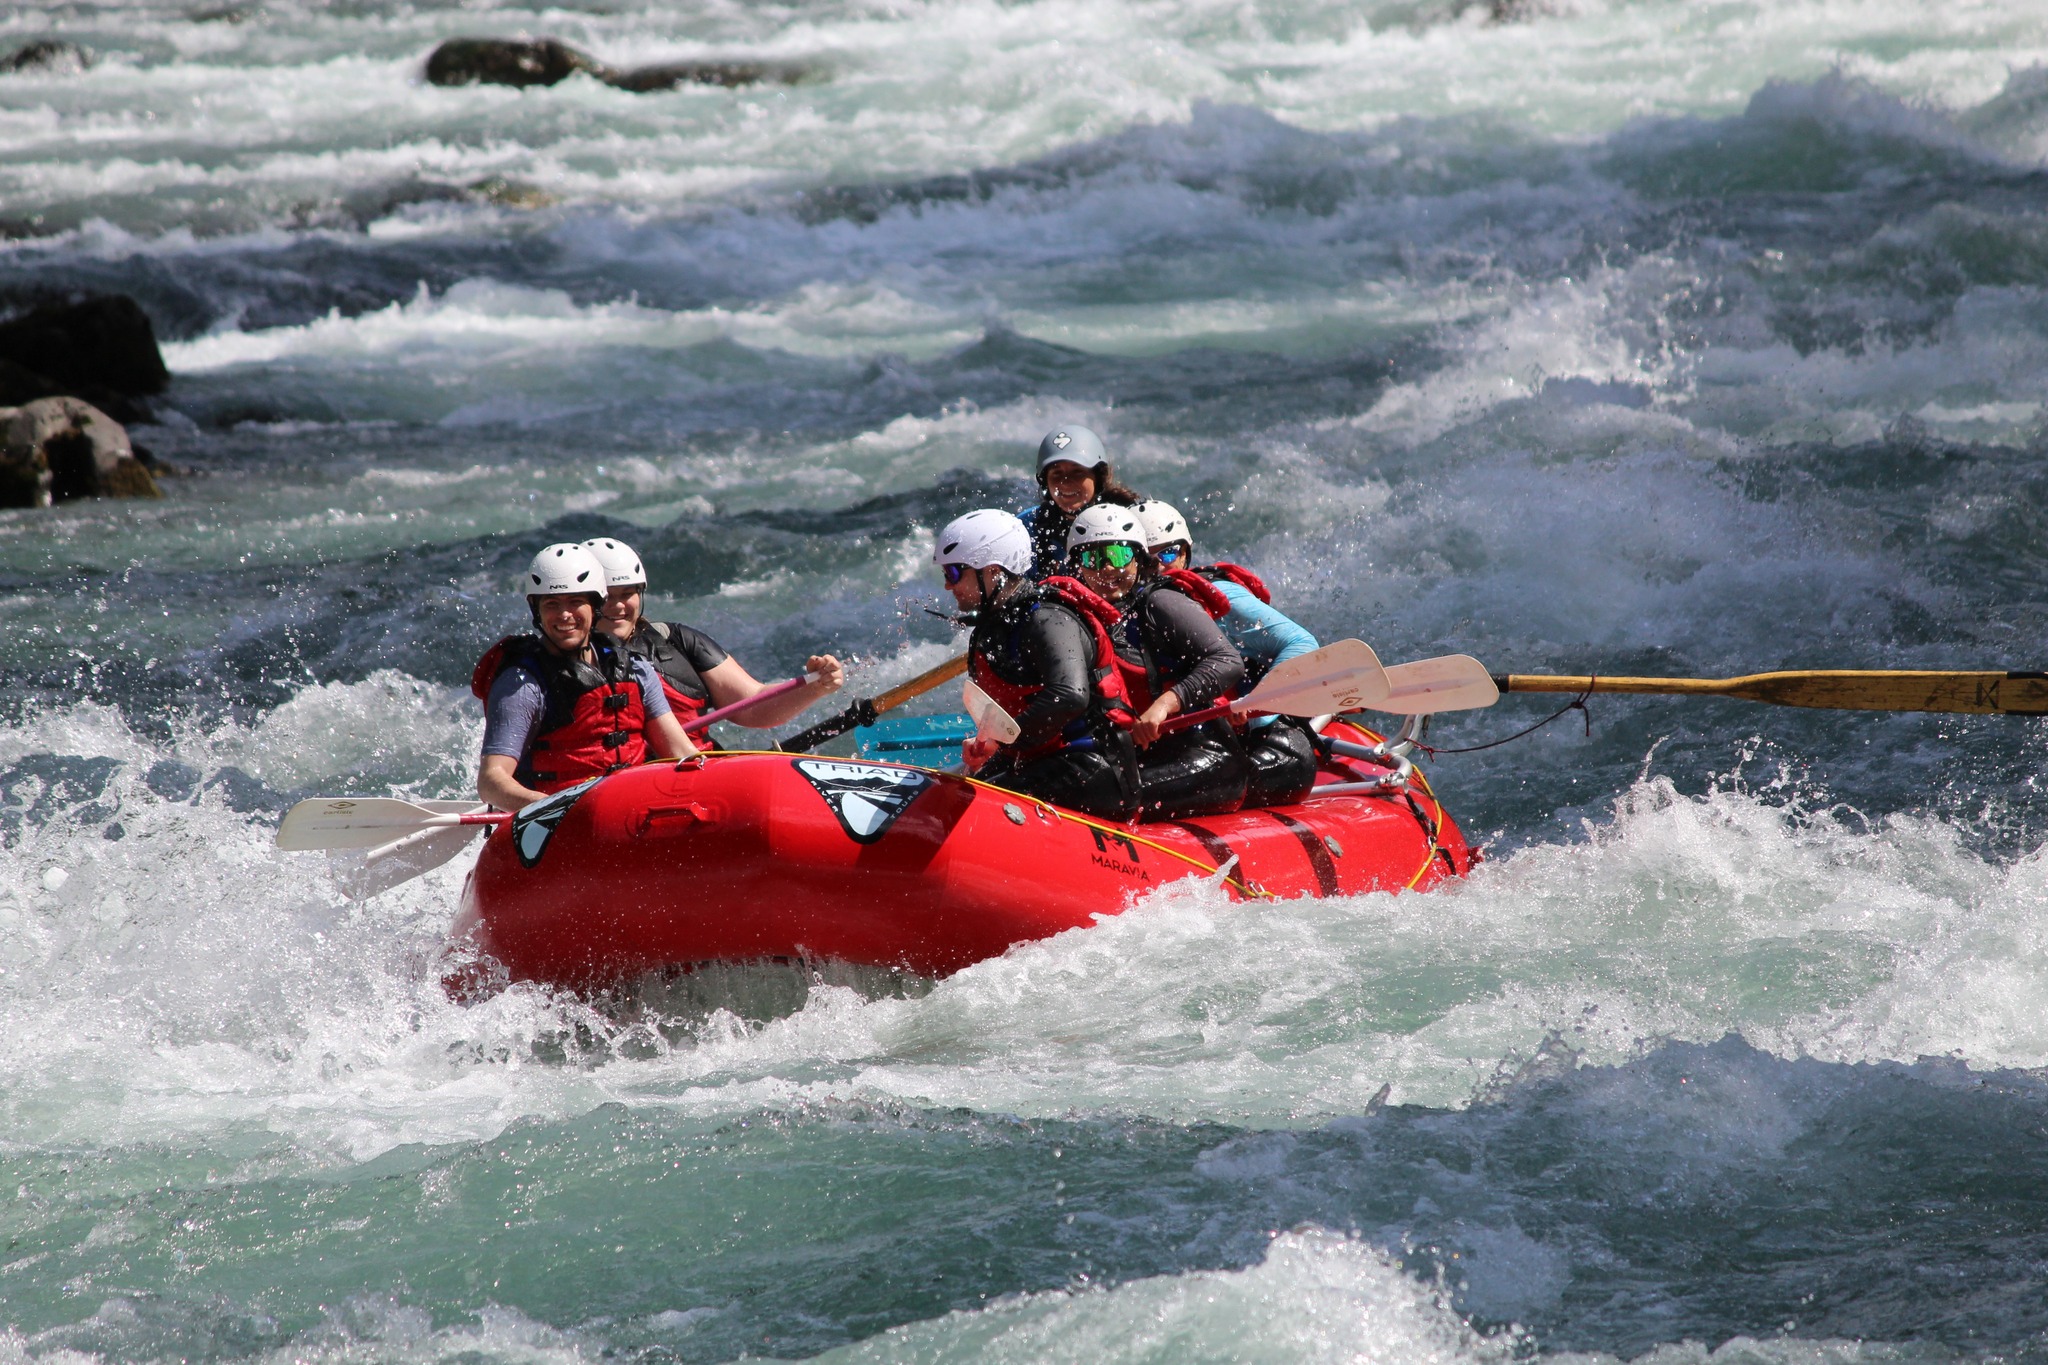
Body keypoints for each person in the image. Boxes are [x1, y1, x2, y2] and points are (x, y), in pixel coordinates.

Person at [935, 509, 1140, 821]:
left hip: (1093, 768)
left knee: (966, 811)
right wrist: (990, 743)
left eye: (953, 573)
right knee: (947, 794)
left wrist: (1002, 742)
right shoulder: (996, 625)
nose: (948, 586)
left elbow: (1070, 695)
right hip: (1039, 761)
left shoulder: (1048, 619)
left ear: (992, 571)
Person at [471, 543, 698, 812]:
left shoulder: (635, 669)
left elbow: (682, 754)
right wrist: (554, 808)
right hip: (554, 821)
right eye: (552, 604)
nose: (565, 614)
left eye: (576, 601)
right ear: (537, 610)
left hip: (633, 812)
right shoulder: (522, 685)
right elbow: (491, 781)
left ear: (595, 606)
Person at [1065, 505, 1250, 821]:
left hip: (1209, 758)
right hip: (1143, 759)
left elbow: (1227, 661)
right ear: (1077, 567)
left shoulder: (1160, 602)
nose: (1107, 568)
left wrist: (1164, 705)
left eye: (1119, 555)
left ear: (1138, 559)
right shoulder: (1078, 617)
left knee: (1093, 796)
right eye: (1092, 558)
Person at [1133, 500, 1321, 807]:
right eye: (1147, 557)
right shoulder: (1135, 605)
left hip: (1266, 738)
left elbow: (1302, 644)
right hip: (1205, 737)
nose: (1158, 566)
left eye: (1168, 553)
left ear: (1185, 553)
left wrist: (1257, 705)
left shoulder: (1222, 595)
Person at [580, 537, 845, 736]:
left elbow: (752, 705)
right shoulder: (564, 661)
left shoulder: (676, 641)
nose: (618, 606)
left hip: (694, 769)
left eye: (627, 594)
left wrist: (813, 687)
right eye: (607, 597)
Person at [1018, 425, 1141, 580]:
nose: (1066, 482)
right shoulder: (1027, 527)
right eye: (1057, 473)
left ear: (1098, 477)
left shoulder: (1130, 520)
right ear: (1045, 481)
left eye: (1077, 472)